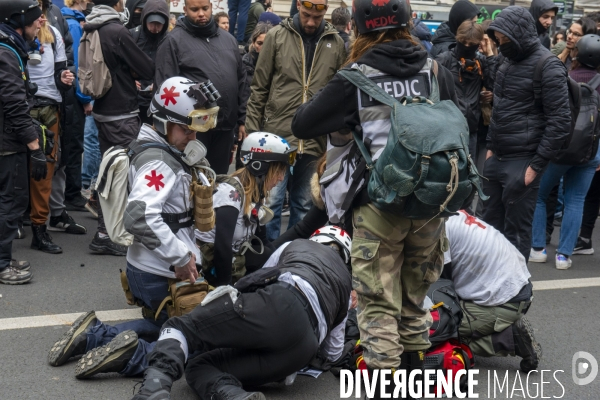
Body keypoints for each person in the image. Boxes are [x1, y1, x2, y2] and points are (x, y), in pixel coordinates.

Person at [291, 0, 460, 395]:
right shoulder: (435, 69)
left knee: (378, 308)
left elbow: (303, 122)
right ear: (406, 23)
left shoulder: (356, 75)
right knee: (415, 303)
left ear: (359, 28)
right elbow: (460, 120)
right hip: (431, 206)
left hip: (380, 207)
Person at [47, 77, 203, 378]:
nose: (193, 135)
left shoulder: (149, 145)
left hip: (145, 269)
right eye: (186, 127)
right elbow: (140, 217)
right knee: (194, 341)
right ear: (163, 122)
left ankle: (92, 334)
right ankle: (132, 355)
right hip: (162, 275)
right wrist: (181, 259)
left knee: (165, 328)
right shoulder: (161, 163)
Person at [130, 228, 353, 400]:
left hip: (282, 302)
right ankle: (234, 395)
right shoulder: (345, 282)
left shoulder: (297, 244)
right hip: (303, 348)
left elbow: (262, 275)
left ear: (316, 238)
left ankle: (153, 388)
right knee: (200, 367)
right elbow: (332, 353)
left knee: (181, 327)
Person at [245, 0, 346, 242]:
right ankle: (268, 260)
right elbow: (259, 88)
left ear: (326, 12)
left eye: (317, 17)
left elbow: (340, 93)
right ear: (298, 5)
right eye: (307, 14)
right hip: (277, 136)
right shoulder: (277, 36)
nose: (311, 22)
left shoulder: (336, 43)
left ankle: (295, 260)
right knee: (271, 204)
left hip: (315, 138)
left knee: (304, 205)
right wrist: (251, 134)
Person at [482, 7, 571, 261]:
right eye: (497, 38)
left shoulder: (548, 66)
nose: (500, 43)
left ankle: (513, 295)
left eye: (503, 38)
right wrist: (490, 149)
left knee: (516, 236)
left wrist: (535, 166)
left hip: (523, 163)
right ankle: (487, 291)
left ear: (518, 34)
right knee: (487, 229)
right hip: (497, 159)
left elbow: (560, 122)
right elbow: (499, 108)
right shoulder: (505, 60)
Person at [84, 0, 155, 256]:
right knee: (121, 177)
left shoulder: (91, 26)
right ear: (118, 3)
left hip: (102, 109)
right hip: (122, 114)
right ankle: (110, 234)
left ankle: (104, 232)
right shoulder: (116, 30)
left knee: (107, 172)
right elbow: (147, 68)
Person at [530, 34, 600, 269]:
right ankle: (564, 256)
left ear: (576, 54)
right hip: (591, 151)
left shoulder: (563, 76)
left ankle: (538, 249)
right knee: (575, 200)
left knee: (539, 194)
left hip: (560, 149)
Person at [440, 210, 540, 373]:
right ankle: (493, 327)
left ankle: (510, 339)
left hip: (507, 302)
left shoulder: (436, 230)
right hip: (514, 289)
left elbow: (441, 288)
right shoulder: (450, 214)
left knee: (433, 328)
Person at [155, 0, 247, 175]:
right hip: (193, 129)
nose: (201, 14)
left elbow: (241, 80)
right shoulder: (173, 41)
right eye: (194, 9)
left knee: (218, 181)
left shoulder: (228, 39)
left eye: (205, 8)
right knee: (192, 181)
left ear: (212, 8)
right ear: (185, 9)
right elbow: (165, 88)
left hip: (225, 128)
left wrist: (242, 119)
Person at [196, 132, 295, 287]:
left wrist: (282, 265)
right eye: (278, 171)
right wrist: (225, 289)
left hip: (233, 255)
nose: (281, 178)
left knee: (268, 258)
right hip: (209, 263)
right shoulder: (231, 194)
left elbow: (263, 241)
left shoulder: (256, 192)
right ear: (260, 168)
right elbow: (222, 248)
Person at [28, 3, 86, 254]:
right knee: (16, 168)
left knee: (46, 167)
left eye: (42, 9)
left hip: (50, 108)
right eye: (35, 11)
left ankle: (39, 228)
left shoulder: (53, 32)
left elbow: (61, 71)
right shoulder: (13, 34)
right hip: (20, 107)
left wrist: (64, 79)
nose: (41, 16)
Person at [0, 0, 44, 284]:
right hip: (7, 143)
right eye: (35, 18)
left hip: (6, 139)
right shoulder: (6, 53)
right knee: (10, 202)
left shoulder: (11, 48)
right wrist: (35, 147)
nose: (41, 22)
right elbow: (14, 106)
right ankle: (2, 265)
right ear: (19, 20)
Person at [435, 20, 496, 161]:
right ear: (458, 39)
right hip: (447, 128)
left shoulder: (481, 63)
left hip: (471, 129)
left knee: (468, 173)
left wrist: (490, 55)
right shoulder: (444, 60)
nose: (467, 47)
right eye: (464, 42)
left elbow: (493, 85)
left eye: (471, 44)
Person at [61, 0, 94, 212]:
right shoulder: (73, 24)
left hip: (67, 92)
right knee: (74, 143)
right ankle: (72, 194)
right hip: (74, 94)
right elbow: (78, 65)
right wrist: (85, 98)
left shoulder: (68, 20)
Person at [129, 0, 169, 125]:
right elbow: (122, 65)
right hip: (134, 99)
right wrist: (130, 80)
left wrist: (159, 83)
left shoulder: (169, 41)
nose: (155, 28)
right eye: (151, 23)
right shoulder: (132, 36)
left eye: (159, 24)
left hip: (159, 100)